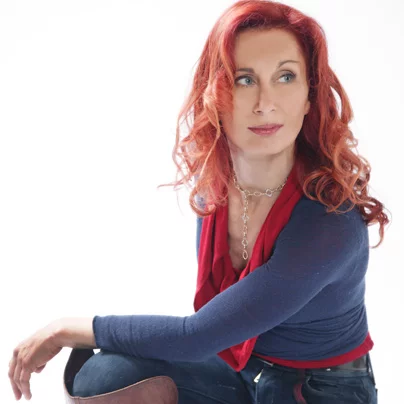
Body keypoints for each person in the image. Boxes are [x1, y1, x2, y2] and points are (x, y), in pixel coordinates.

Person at [8, 1, 389, 403]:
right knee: (104, 375)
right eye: (245, 79)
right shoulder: (215, 188)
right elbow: (208, 332)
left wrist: (64, 330)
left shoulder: (328, 222)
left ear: (309, 96)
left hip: (320, 389)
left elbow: (195, 337)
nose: (265, 102)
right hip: (243, 367)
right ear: (216, 94)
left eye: (285, 76)